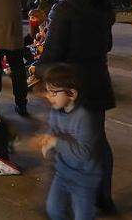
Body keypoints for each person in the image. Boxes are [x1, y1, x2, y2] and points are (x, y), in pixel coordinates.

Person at [38, 0, 116, 214]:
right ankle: (103, 195)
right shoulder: (101, 6)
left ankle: (69, 197)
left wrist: (38, 72)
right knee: (98, 142)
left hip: (69, 86)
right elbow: (107, 46)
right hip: (97, 80)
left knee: (65, 139)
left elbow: (52, 52)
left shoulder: (64, 8)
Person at [34, 64, 102, 220]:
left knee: (82, 216)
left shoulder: (84, 117)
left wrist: (55, 142)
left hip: (84, 177)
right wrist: (46, 140)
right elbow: (52, 129)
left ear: (72, 94)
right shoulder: (56, 110)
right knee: (54, 210)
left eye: (54, 93)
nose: (49, 97)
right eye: (48, 91)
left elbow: (85, 153)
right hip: (63, 172)